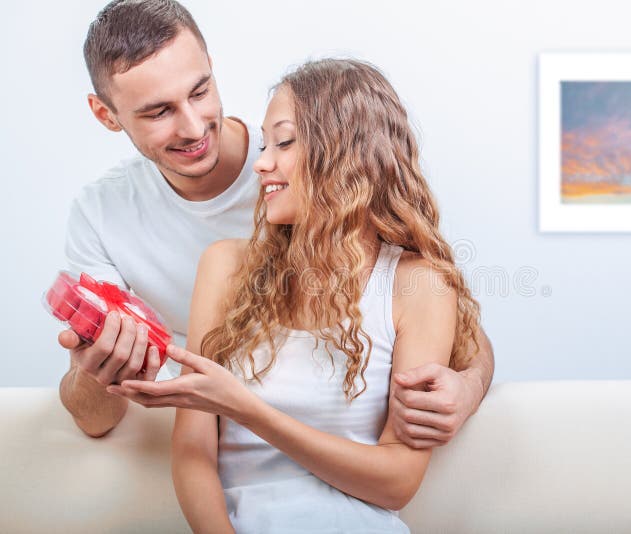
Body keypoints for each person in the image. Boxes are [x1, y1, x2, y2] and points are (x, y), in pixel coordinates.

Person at [59, 0, 494, 450]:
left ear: (211, 66)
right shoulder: (100, 215)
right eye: (158, 112)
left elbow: (448, 317)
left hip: (325, 432)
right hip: (208, 441)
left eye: (200, 91)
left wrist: (470, 386)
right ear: (106, 115)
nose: (193, 127)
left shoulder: (301, 173)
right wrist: (95, 374)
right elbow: (95, 421)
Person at [108, 58, 483, 533]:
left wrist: (244, 408)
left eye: (283, 142)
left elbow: (396, 483)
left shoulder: (418, 284)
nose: (262, 162)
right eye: (265, 143)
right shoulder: (225, 266)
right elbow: (192, 452)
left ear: (347, 151)